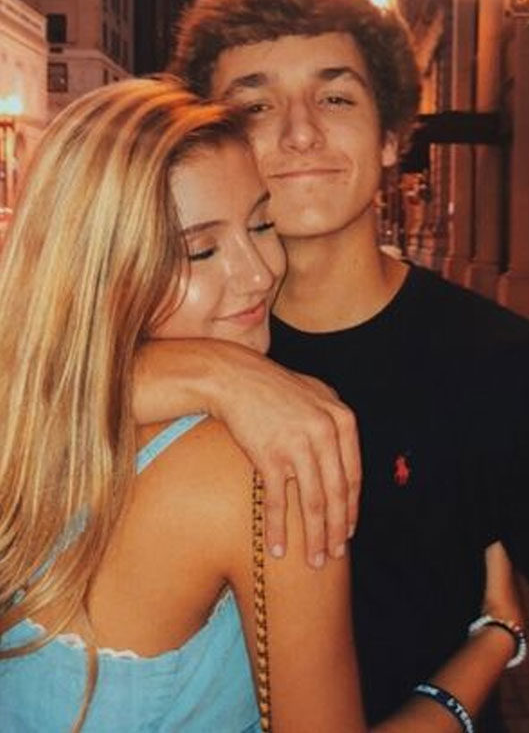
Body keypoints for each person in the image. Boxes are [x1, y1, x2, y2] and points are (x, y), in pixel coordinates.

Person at [137, 0, 529, 730]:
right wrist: (211, 373)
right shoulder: (176, 332)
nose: (299, 133)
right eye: (255, 106)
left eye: (336, 98)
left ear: (391, 136)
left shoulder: (507, 366)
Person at [0, 77, 370, 732]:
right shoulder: (263, 464)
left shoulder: (27, 428)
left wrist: (216, 372)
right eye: (200, 250)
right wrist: (479, 660)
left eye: (262, 224)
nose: (259, 272)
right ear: (101, 271)